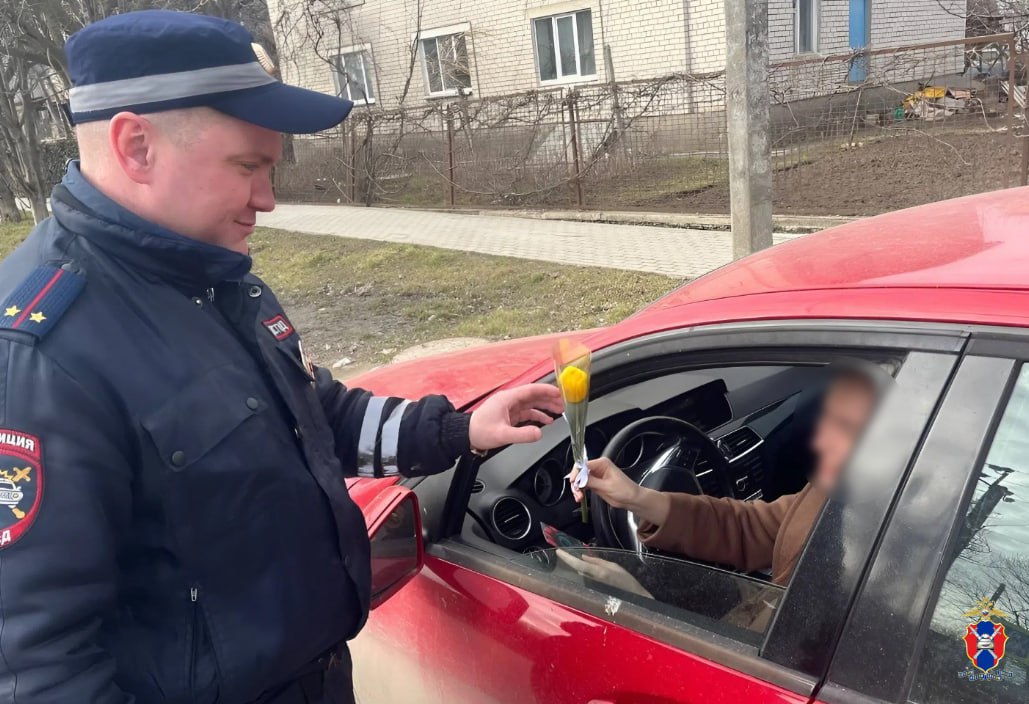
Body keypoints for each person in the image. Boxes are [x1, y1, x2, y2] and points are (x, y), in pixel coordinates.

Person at [0, 11, 562, 704]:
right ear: (136, 146)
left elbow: (314, 416)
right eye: (248, 166)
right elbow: (37, 666)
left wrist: (459, 429)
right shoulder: (40, 354)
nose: (267, 200)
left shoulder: (212, 277)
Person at [569, 363, 882, 602]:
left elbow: (787, 655)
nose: (820, 441)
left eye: (846, 428)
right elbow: (751, 527)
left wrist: (638, 601)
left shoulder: (887, 577)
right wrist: (637, 498)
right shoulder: (834, 496)